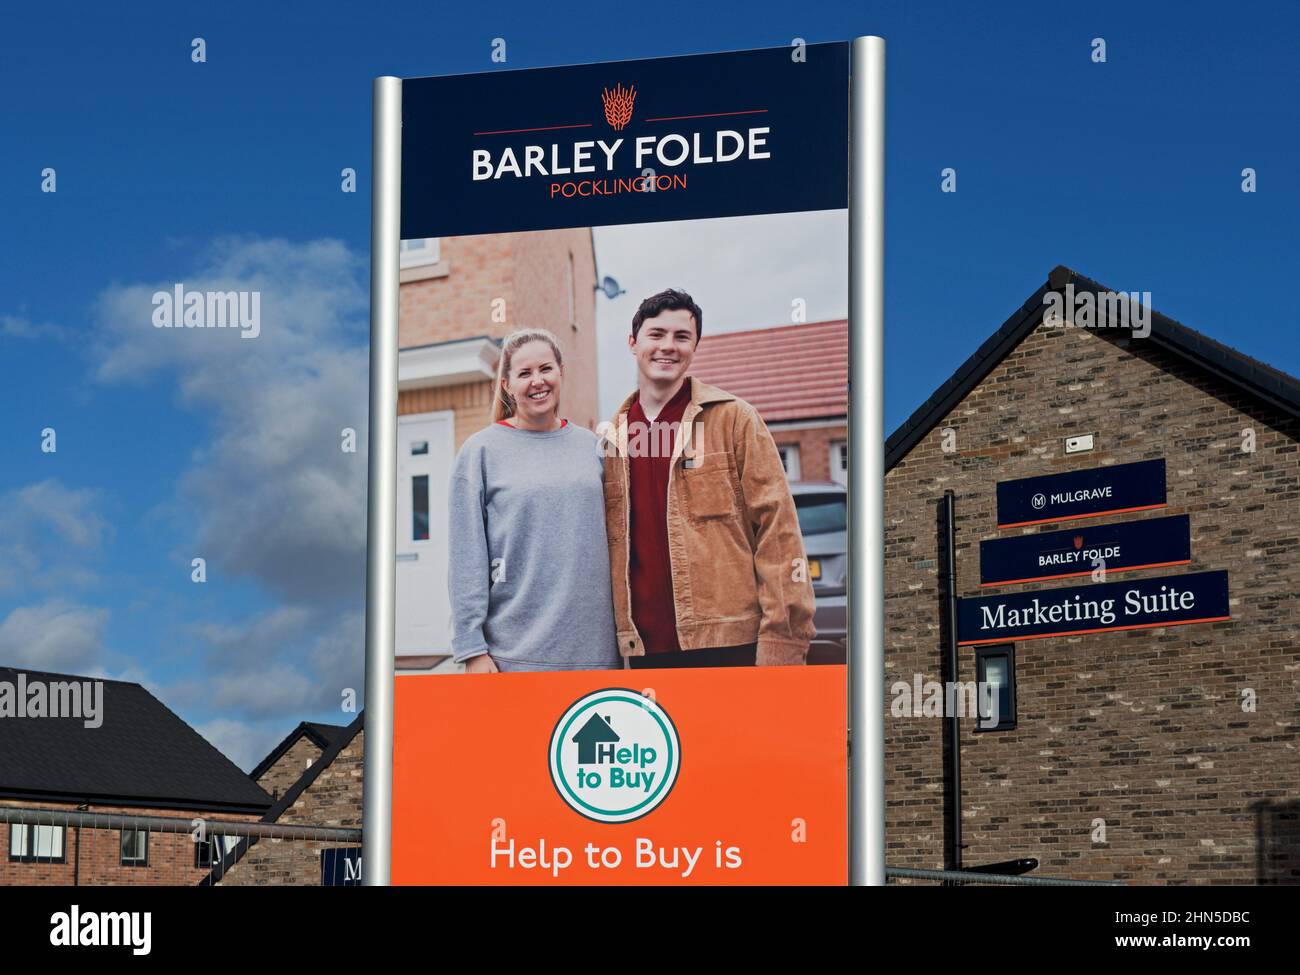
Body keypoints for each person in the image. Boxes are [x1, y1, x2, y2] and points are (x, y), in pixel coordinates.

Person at [601, 289, 816, 668]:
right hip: (644, 653)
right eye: (656, 334)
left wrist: (783, 642)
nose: (669, 346)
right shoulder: (612, 439)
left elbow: (778, 534)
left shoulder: (735, 420)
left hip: (731, 643)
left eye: (682, 337)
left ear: (695, 347)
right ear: (633, 343)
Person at [448, 328, 619, 673]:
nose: (537, 381)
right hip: (512, 657)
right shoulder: (480, 452)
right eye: (524, 373)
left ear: (561, 373)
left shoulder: (594, 448)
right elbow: (466, 557)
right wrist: (471, 649)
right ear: (507, 385)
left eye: (545, 369)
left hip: (596, 656)